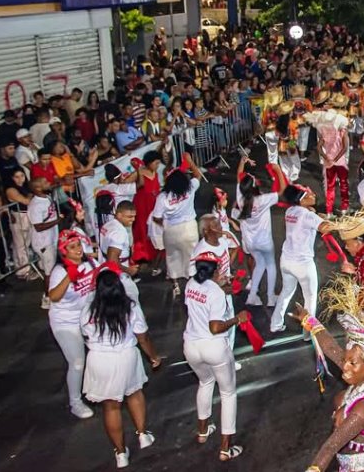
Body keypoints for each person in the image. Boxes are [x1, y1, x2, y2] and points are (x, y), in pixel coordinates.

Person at [292, 302, 364, 472]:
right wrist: (309, 320)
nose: (345, 367)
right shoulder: (360, 378)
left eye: (352, 363)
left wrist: (314, 468)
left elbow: (331, 446)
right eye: (346, 360)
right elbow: (332, 349)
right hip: (349, 464)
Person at [80, 269, 162, 469]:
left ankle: (120, 453)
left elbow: (85, 334)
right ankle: (142, 434)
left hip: (99, 359)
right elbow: (143, 336)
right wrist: (153, 356)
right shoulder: (130, 307)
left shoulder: (88, 309)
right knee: (134, 394)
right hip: (126, 356)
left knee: (111, 406)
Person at [183, 253, 247, 461]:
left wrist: (224, 286)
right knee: (228, 394)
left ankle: (203, 431)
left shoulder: (190, 284)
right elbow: (215, 327)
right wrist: (237, 319)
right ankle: (225, 448)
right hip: (213, 347)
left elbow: (203, 299)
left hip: (191, 347)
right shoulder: (215, 294)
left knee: (205, 383)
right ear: (214, 270)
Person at [268, 185, 338, 333]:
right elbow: (324, 228)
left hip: (286, 260)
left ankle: (275, 324)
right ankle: (308, 333)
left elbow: (308, 217)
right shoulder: (308, 216)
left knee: (286, 292)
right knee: (310, 298)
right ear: (302, 200)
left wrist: (315, 215)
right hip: (303, 264)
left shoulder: (290, 211)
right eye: (308, 194)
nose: (313, 195)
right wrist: (339, 224)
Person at [47, 229, 99, 419]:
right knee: (77, 362)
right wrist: (69, 275)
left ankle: (95, 389)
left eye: (78, 245)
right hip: (65, 322)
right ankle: (75, 402)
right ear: (63, 252)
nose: (78, 250)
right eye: (72, 247)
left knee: (99, 353)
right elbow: (53, 296)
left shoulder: (90, 263)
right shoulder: (59, 271)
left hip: (87, 318)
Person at [235, 165, 285, 307]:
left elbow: (238, 175)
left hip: (251, 243)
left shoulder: (240, 198)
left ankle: (252, 296)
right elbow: (281, 191)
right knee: (270, 265)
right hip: (265, 241)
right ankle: (270, 298)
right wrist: (278, 171)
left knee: (259, 265)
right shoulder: (264, 199)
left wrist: (242, 162)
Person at [153, 165, 203, 298]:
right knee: (192, 257)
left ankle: (175, 285)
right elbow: (198, 175)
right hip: (190, 229)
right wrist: (191, 162)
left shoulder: (162, 197)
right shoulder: (190, 188)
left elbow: (156, 217)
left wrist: (164, 223)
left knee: (172, 257)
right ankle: (193, 286)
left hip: (171, 230)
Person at [28, 177, 60, 310]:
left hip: (51, 239)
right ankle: (46, 298)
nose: (49, 184)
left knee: (51, 269)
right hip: (43, 243)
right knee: (49, 272)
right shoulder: (35, 205)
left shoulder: (46, 197)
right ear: (37, 188)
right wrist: (57, 221)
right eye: (45, 183)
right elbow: (38, 226)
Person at [318, 122, 350, 215]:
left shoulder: (325, 131)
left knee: (330, 187)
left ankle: (329, 211)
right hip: (340, 163)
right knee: (343, 185)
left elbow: (319, 147)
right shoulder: (343, 131)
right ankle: (344, 208)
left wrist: (326, 157)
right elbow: (344, 148)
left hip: (329, 163)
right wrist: (335, 159)